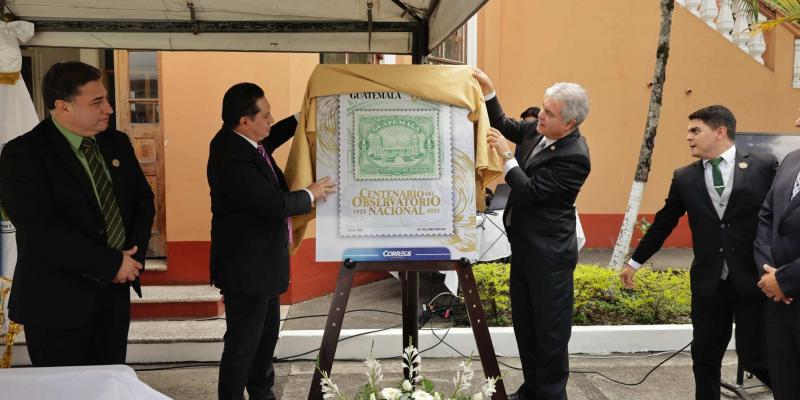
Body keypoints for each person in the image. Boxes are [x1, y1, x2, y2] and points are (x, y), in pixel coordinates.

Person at [0, 61, 155, 366]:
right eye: (97, 102)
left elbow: (142, 200)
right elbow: (39, 228)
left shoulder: (117, 143)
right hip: (56, 303)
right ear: (62, 106)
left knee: (108, 384)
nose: (109, 109)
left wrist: (130, 258)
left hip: (114, 293)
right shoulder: (23, 154)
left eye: (106, 99)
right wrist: (111, 263)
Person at [621, 105, 774, 399]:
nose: (688, 138)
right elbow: (664, 222)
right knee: (704, 357)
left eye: (695, 131)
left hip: (753, 279)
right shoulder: (684, 178)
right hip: (709, 283)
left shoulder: (763, 166)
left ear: (720, 132)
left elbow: (782, 215)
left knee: (757, 357)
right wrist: (635, 261)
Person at [207, 82, 335, 400]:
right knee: (242, 346)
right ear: (244, 121)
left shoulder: (248, 141)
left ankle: (262, 393)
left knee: (265, 341)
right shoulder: (231, 155)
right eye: (264, 115)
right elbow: (273, 205)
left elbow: (274, 134)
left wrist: (304, 114)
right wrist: (311, 193)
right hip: (246, 270)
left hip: (265, 266)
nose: (270, 119)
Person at [474, 68, 591, 400]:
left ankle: (551, 395)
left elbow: (530, 192)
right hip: (524, 250)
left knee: (550, 336)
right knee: (526, 330)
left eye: (549, 113)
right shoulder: (537, 130)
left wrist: (507, 158)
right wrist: (489, 90)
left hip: (550, 257)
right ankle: (531, 391)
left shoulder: (575, 157)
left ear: (569, 124)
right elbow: (506, 125)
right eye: (543, 107)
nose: (540, 115)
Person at [753, 112, 800, 400]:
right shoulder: (792, 160)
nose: (796, 122)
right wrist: (769, 274)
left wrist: (786, 279)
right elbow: (767, 218)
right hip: (780, 304)